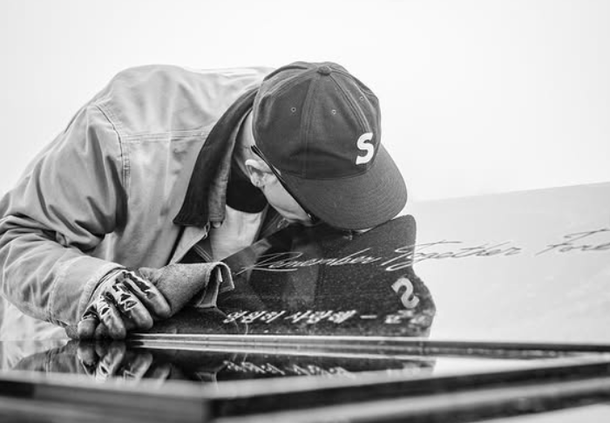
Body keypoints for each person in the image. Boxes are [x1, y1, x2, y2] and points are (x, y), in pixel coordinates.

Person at [0, 61, 407, 341]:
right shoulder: (122, 133)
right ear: (259, 172)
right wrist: (94, 287)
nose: (339, 215)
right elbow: (15, 240)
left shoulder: (319, 118)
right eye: (321, 203)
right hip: (63, 355)